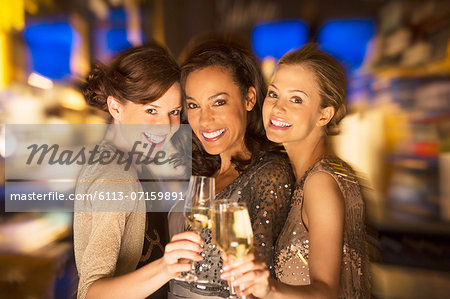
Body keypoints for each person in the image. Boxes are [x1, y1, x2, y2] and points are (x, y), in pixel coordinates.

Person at [221, 43, 370, 298]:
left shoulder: (320, 182)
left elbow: (326, 293)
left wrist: (269, 289)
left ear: (324, 115)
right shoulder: (312, 173)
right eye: (274, 94)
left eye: (296, 99)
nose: (278, 108)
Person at [168, 37, 295, 299]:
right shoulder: (201, 173)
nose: (205, 119)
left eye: (218, 102)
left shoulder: (270, 173)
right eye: (193, 105)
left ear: (249, 98)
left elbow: (256, 282)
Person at [73, 43, 203, 299]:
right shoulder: (115, 178)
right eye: (151, 110)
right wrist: (167, 267)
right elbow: (91, 293)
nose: (166, 125)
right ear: (115, 107)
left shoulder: (133, 161)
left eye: (174, 112)